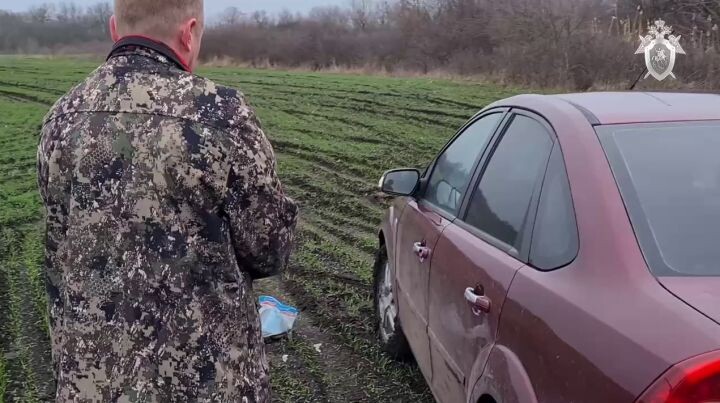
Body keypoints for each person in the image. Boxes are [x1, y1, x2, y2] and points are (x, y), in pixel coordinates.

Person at [36, 0, 298, 401]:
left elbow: (58, 246)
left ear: (114, 28)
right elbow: (270, 249)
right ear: (189, 33)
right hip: (207, 384)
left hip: (92, 381)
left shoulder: (62, 117)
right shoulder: (222, 114)